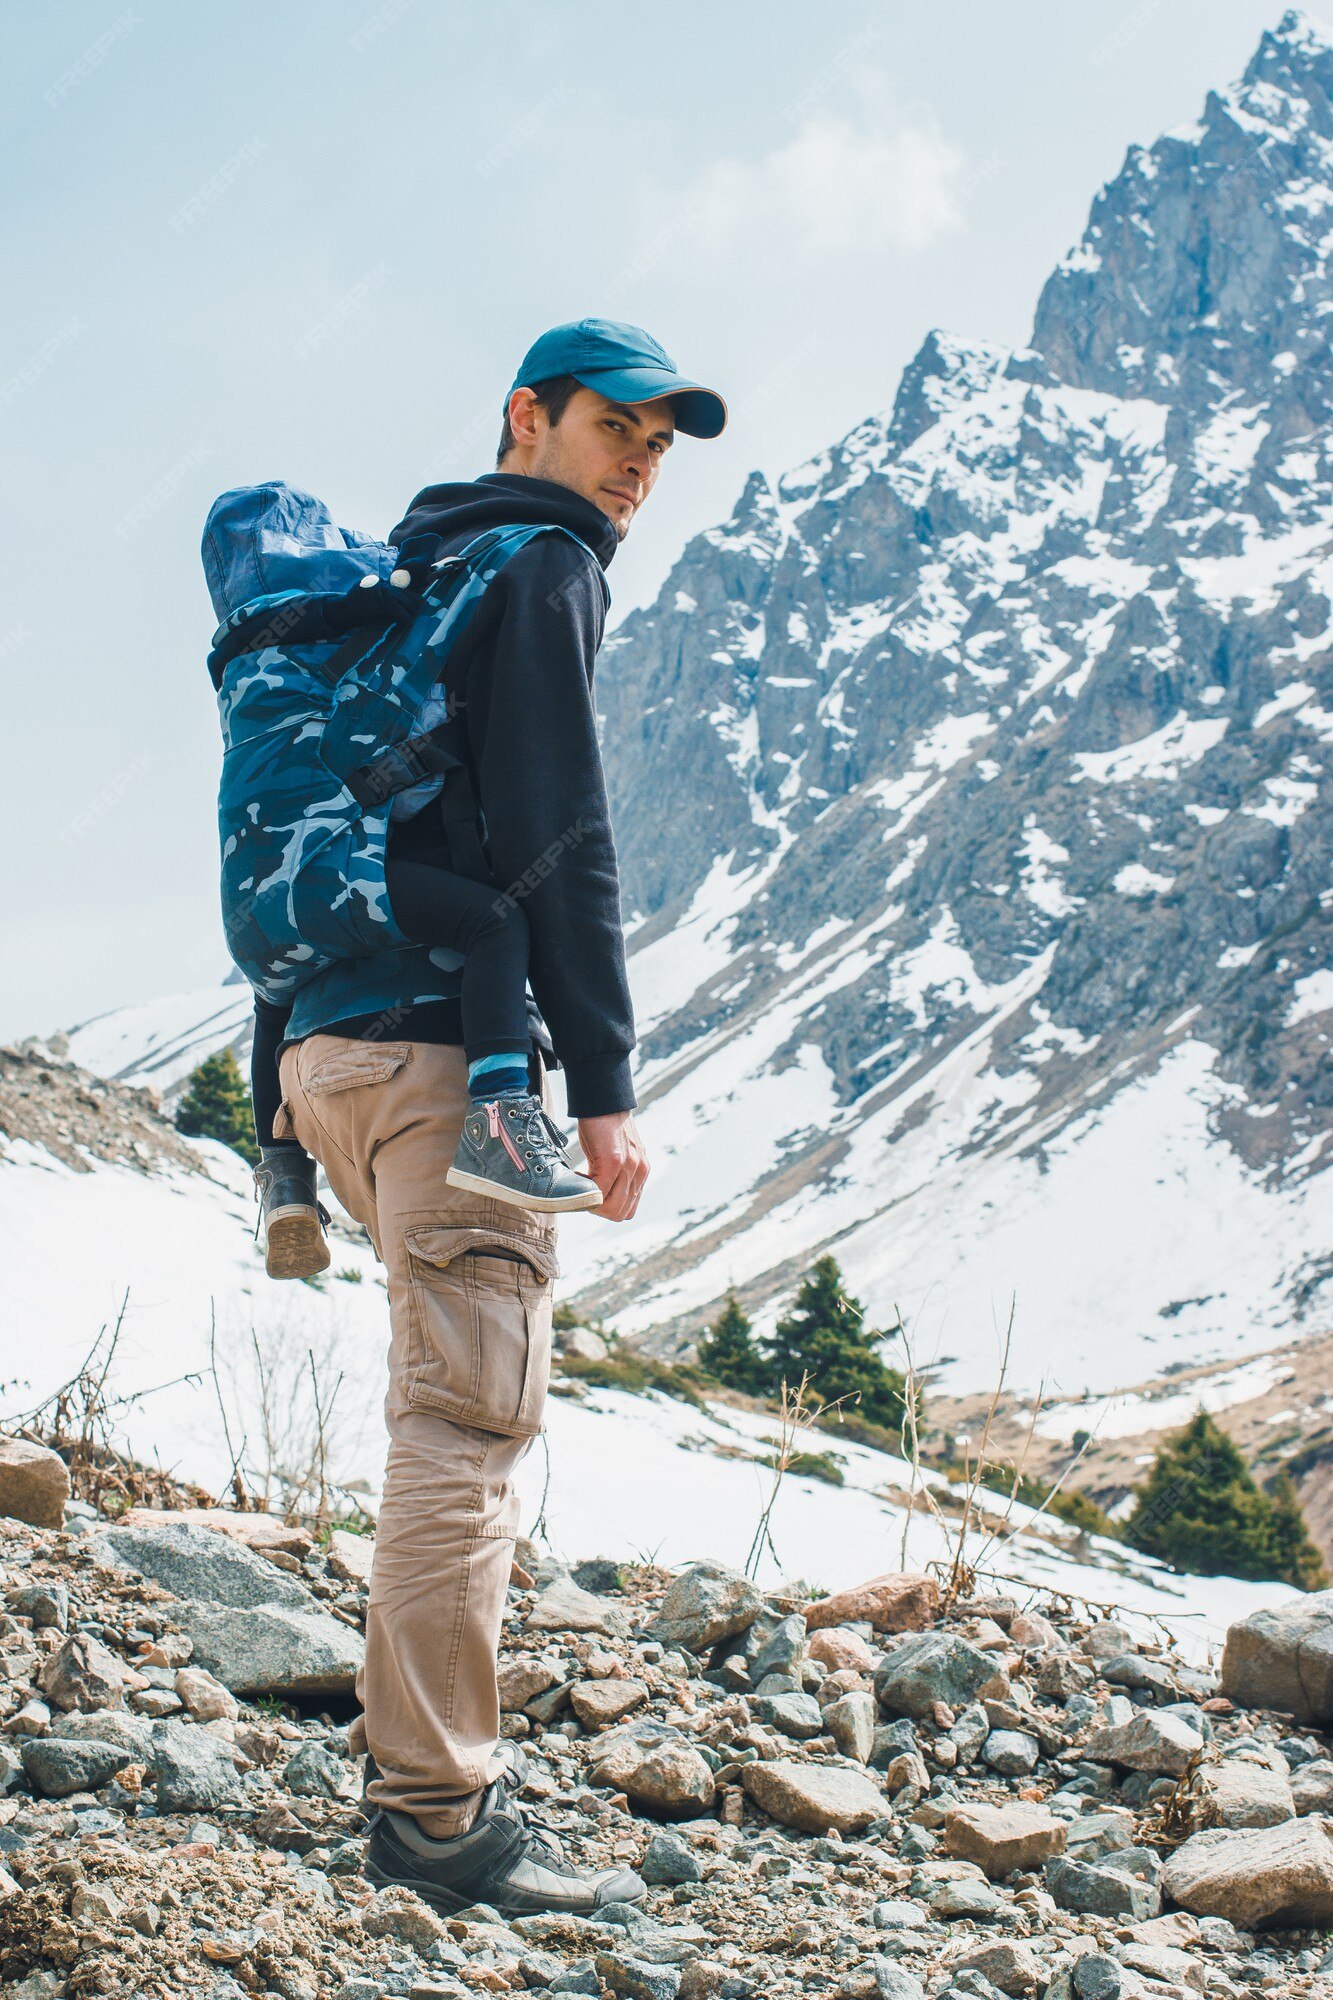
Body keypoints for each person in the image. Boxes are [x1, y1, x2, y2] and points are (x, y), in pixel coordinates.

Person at [260, 319, 726, 1914]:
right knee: (463, 1431)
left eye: (660, 446)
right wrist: (604, 1085)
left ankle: (411, 1778)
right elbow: (560, 833)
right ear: (527, 415)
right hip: (451, 1061)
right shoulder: (539, 570)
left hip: (322, 1054)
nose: (637, 465)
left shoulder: (404, 574)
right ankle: (437, 1824)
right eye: (616, 428)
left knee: (431, 1414)